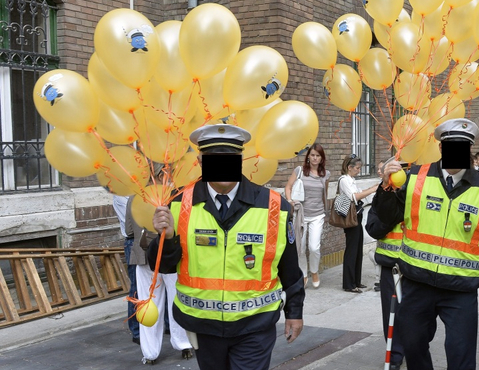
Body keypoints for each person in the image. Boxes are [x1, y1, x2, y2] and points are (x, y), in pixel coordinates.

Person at [148, 124, 305, 369]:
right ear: (200, 161)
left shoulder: (274, 206)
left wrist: (294, 312)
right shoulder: (177, 204)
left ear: (240, 160)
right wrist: (165, 239)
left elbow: (290, 267)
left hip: (255, 325)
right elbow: (163, 267)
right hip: (203, 325)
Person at [377, 118, 479, 370]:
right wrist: (385, 189)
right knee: (413, 343)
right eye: (451, 146)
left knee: (461, 354)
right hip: (416, 283)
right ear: (441, 148)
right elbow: (381, 223)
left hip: (460, 288)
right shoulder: (414, 177)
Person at [126, 177, 193, 364]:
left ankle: (149, 353)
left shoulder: (135, 196)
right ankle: (183, 344)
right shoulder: (178, 196)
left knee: (148, 303)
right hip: (172, 254)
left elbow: (129, 230)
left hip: (144, 254)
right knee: (177, 300)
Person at [365, 162, 407, 369]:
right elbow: (372, 228)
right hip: (390, 267)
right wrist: (390, 216)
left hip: (415, 267)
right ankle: (395, 356)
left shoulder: (414, 196)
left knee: (414, 316)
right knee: (391, 315)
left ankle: (412, 348)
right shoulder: (381, 196)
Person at [285, 143, 331, 289]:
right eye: (312, 155)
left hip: (317, 214)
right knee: (300, 247)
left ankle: (314, 271)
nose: (315, 158)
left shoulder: (326, 174)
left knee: (314, 247)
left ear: (321, 158)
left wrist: (326, 211)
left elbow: (324, 194)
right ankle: (304, 274)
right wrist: (290, 201)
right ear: (308, 157)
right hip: (300, 214)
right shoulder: (299, 171)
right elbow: (288, 187)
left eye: (318, 156)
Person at [339, 154, 379, 293]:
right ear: (349, 168)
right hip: (350, 219)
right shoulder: (344, 180)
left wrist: (370, 188)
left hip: (357, 216)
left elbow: (358, 193)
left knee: (357, 249)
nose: (359, 170)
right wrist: (371, 190)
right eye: (357, 168)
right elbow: (353, 197)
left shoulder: (351, 180)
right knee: (351, 249)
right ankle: (349, 283)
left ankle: (356, 280)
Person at [113, 194, 139, 344]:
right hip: (134, 241)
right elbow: (132, 223)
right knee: (136, 287)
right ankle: (136, 330)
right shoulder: (120, 197)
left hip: (149, 237)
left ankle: (165, 324)